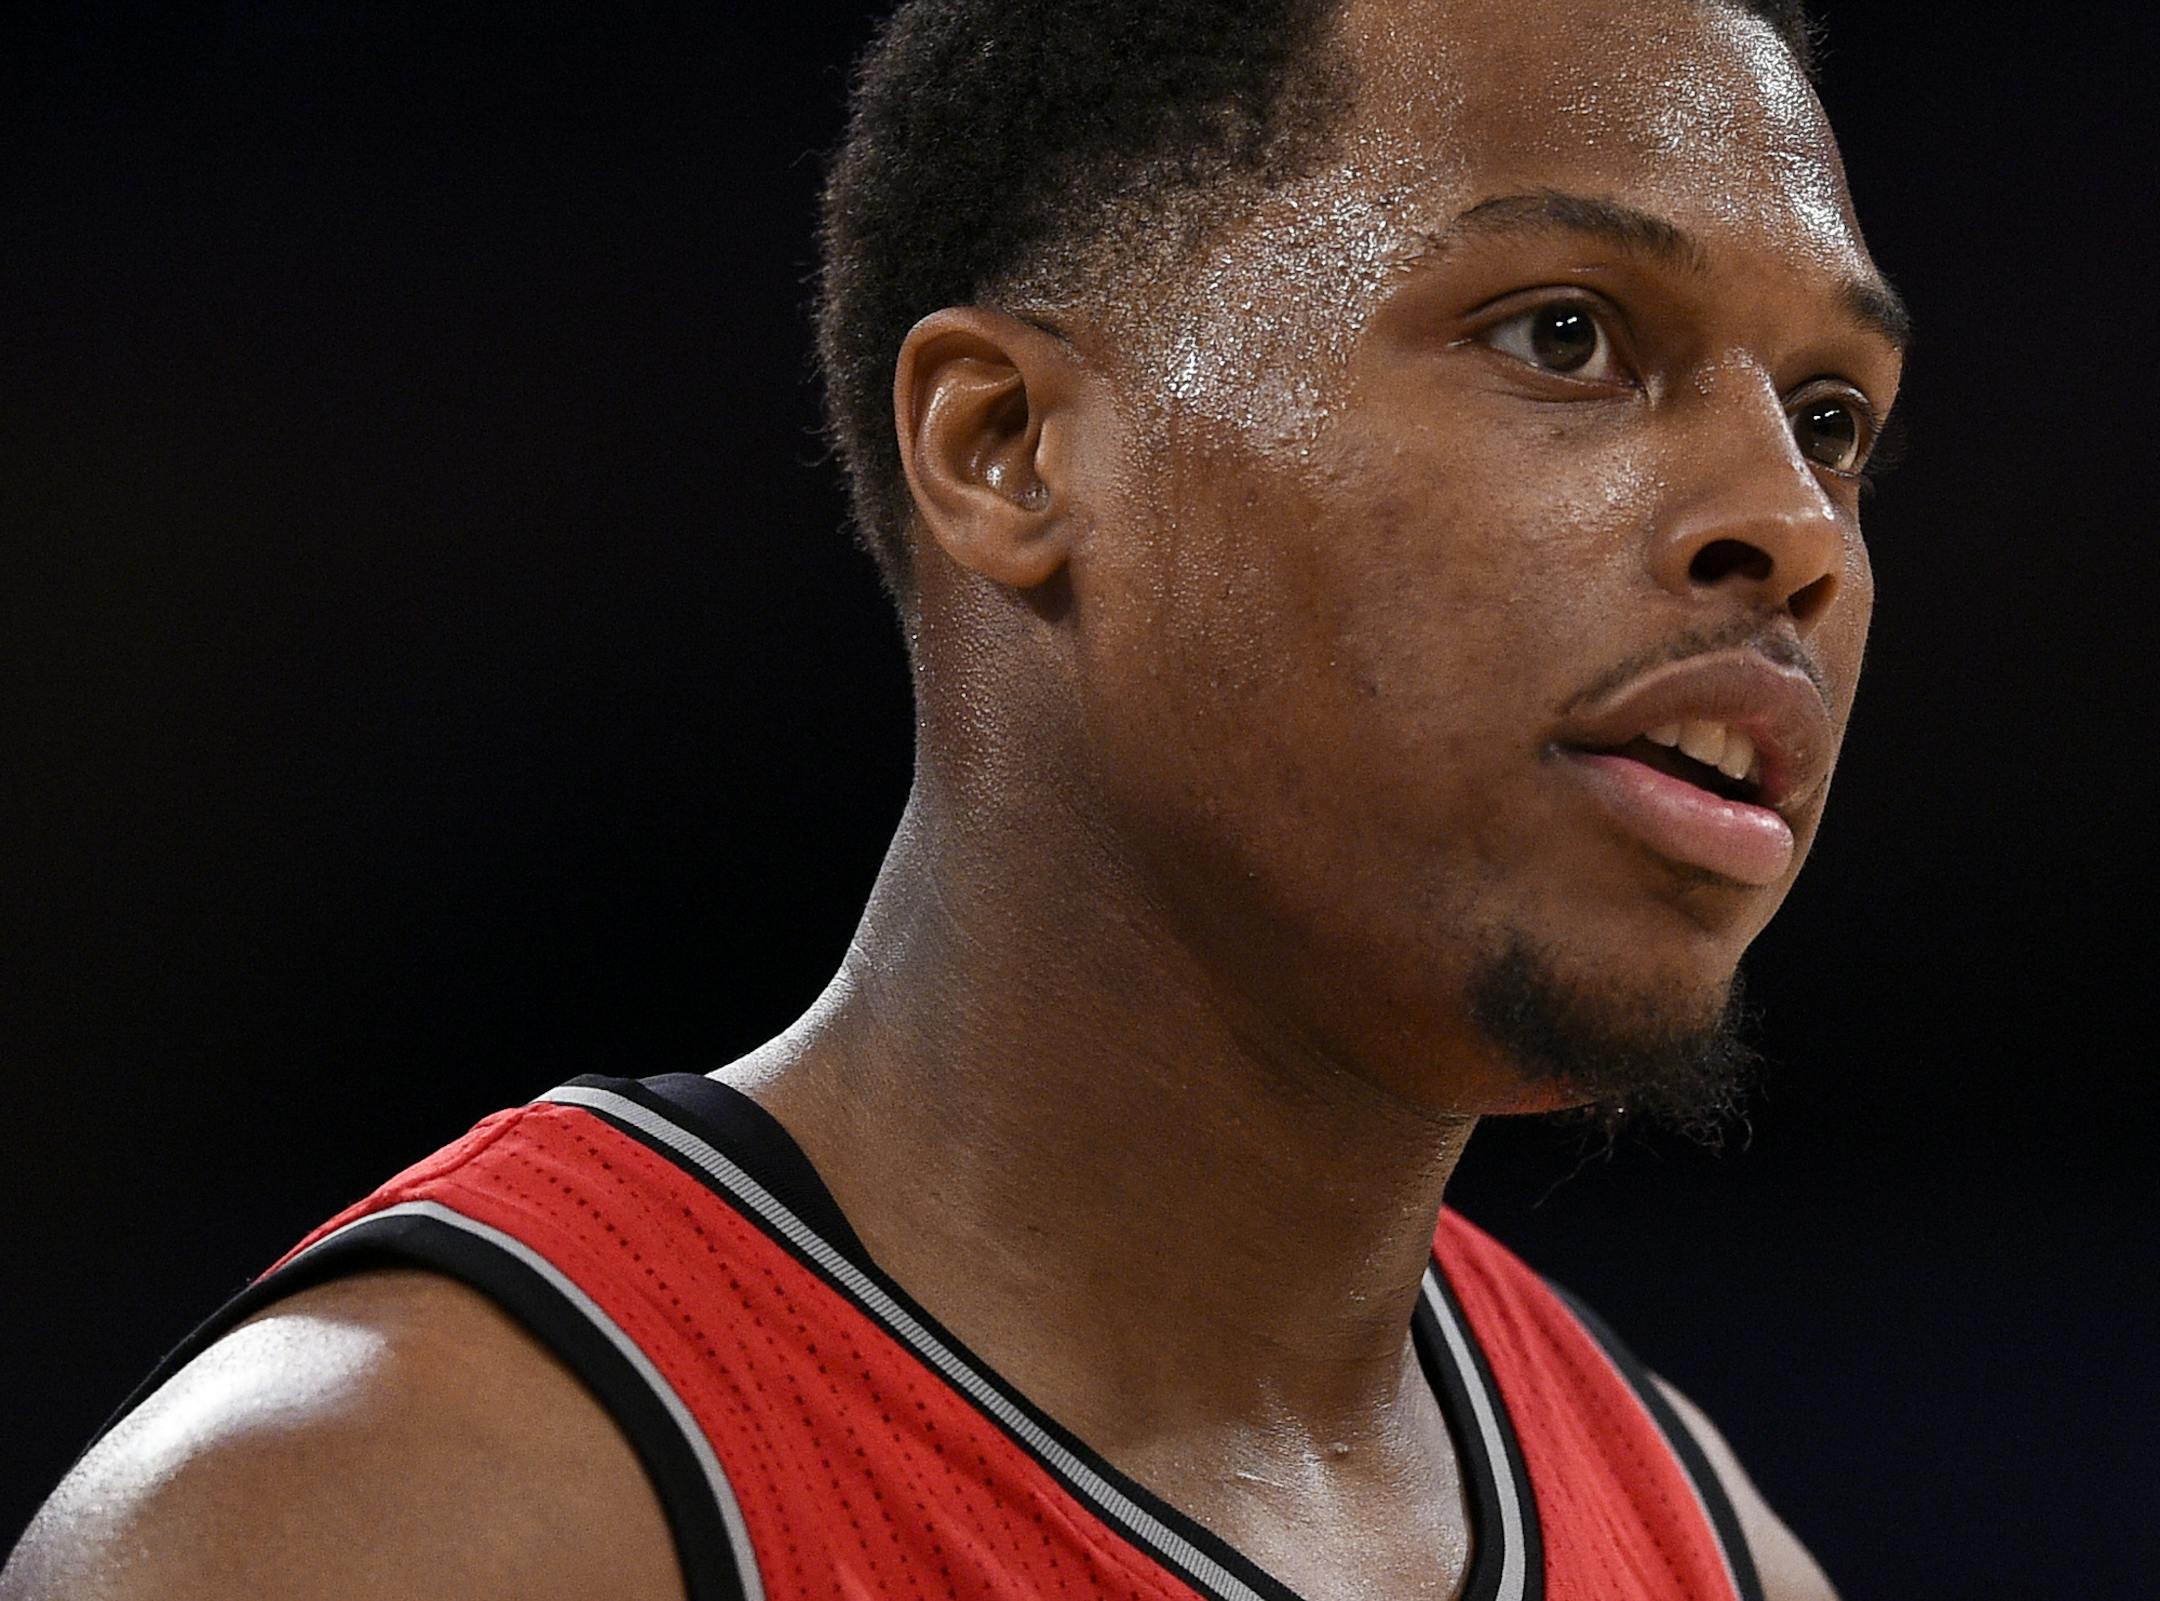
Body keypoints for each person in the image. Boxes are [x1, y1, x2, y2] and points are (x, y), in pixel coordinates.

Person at [3, 0, 1908, 1594]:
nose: (1794, 528)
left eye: (1834, 419)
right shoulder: (393, 1518)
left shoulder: (1710, 1547)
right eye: (1564, 334)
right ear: (1006, 446)